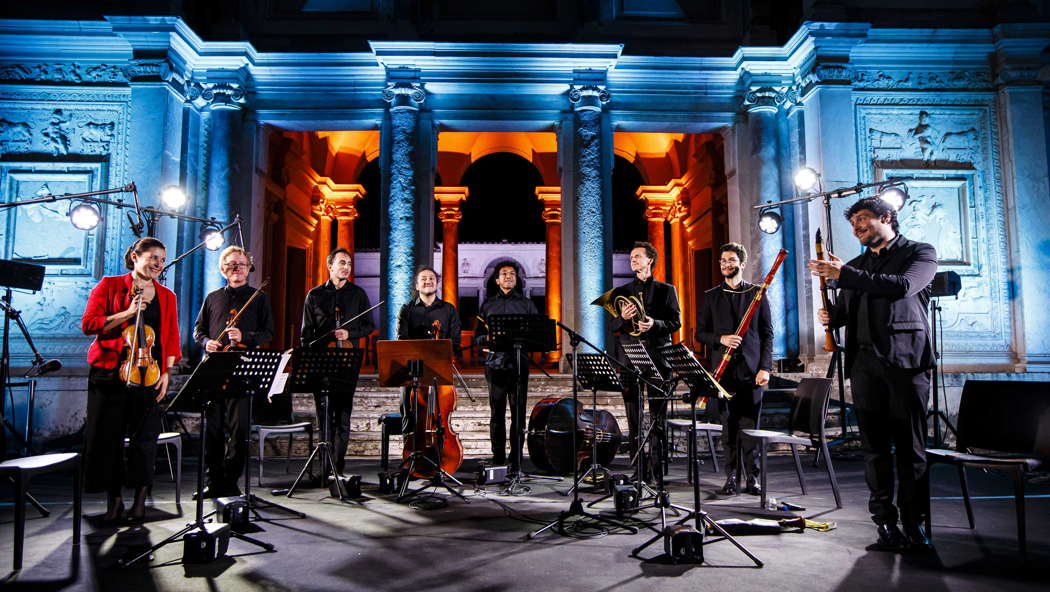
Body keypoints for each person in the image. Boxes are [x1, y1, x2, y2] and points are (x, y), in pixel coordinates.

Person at [809, 196, 937, 552]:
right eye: (852, 223)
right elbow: (847, 313)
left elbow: (900, 287)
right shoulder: (854, 266)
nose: (856, 227)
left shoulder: (919, 253)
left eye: (862, 219)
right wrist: (831, 318)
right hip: (865, 367)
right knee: (874, 451)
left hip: (906, 365)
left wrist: (845, 276)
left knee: (911, 450)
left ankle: (915, 525)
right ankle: (884, 523)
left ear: (886, 217)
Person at [81, 237, 181, 523]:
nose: (158, 265)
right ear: (135, 256)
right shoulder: (109, 285)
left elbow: (171, 338)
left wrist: (166, 373)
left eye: (161, 260)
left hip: (148, 373)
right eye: (152, 258)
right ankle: (113, 500)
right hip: (109, 374)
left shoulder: (167, 296)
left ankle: (139, 499)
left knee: (145, 439)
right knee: (107, 439)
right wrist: (127, 313)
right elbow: (89, 324)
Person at [192, 246, 274, 498]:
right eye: (230, 265)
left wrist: (245, 336)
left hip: (243, 370)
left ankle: (230, 480)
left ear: (249, 267)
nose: (236, 268)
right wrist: (207, 342)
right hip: (215, 370)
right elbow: (198, 330)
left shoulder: (259, 297)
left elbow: (267, 333)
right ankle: (212, 480)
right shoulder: (213, 297)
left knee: (239, 433)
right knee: (212, 431)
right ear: (222, 270)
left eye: (240, 264)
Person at [695, 242, 772, 496]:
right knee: (728, 427)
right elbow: (700, 334)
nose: (726, 264)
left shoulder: (757, 293)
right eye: (722, 261)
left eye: (730, 260)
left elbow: (767, 334)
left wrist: (765, 368)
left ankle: (753, 476)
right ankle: (731, 476)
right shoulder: (711, 296)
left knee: (750, 427)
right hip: (723, 373)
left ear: (742, 263)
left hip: (752, 372)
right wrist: (721, 339)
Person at [301, 248, 375, 476]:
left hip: (346, 363)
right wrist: (323, 341)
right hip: (322, 362)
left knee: (343, 417)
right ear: (330, 266)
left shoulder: (358, 294)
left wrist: (349, 334)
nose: (346, 267)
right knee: (324, 418)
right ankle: (324, 469)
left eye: (349, 264)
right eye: (342, 263)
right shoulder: (314, 295)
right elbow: (306, 334)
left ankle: (338, 469)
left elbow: (369, 326)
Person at [614, 241, 681, 480]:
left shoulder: (666, 290)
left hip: (657, 358)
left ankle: (657, 469)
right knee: (633, 416)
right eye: (631, 256)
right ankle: (638, 469)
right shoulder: (622, 291)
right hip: (630, 359)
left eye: (637, 256)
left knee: (657, 417)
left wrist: (655, 324)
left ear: (650, 260)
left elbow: (676, 323)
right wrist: (622, 317)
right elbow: (612, 327)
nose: (633, 259)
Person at [476, 261, 538, 471]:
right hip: (495, 364)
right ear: (497, 280)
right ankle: (498, 457)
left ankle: (516, 458)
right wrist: (487, 339)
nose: (509, 276)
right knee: (497, 413)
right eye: (504, 274)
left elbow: (536, 334)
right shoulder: (487, 305)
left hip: (519, 364)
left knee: (519, 413)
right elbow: (477, 336)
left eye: (512, 273)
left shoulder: (527, 305)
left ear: (517, 278)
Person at [396, 265, 462, 434]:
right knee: (407, 411)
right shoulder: (407, 309)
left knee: (439, 414)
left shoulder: (448, 310)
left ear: (437, 284)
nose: (428, 281)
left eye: (432, 278)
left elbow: (455, 341)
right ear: (417, 285)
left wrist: (442, 351)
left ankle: (439, 452)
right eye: (423, 279)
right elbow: (402, 339)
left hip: (439, 370)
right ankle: (409, 452)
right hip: (412, 370)